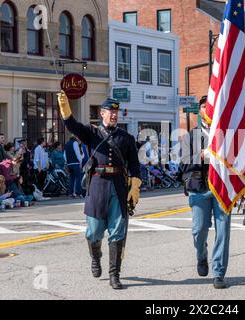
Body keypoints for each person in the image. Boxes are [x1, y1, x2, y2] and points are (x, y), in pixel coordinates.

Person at [58, 91, 141, 290]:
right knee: (94, 231)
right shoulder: (92, 133)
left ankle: (115, 275)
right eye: (109, 112)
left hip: (119, 187)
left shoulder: (127, 138)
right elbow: (72, 126)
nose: (113, 115)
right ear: (102, 114)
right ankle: (96, 257)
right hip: (97, 185)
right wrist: (65, 108)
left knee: (117, 232)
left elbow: (135, 165)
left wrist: (135, 186)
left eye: (116, 112)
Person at [180, 104, 231, 290]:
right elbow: (183, 164)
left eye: (211, 106)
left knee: (223, 231)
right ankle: (202, 255)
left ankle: (219, 272)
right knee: (199, 230)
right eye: (204, 106)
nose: (208, 110)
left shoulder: (226, 135)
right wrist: (202, 155)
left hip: (222, 188)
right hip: (199, 188)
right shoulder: (189, 136)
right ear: (200, 112)